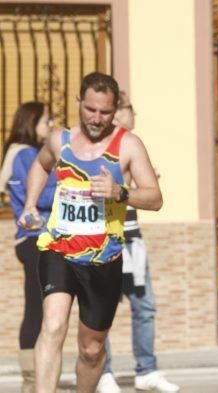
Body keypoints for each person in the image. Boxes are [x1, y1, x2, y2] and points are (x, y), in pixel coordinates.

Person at [18, 72, 163, 393]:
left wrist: (119, 191)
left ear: (115, 110)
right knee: (53, 326)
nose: (97, 119)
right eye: (91, 110)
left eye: (105, 112)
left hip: (103, 259)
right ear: (79, 103)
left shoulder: (128, 145)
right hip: (58, 248)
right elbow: (41, 166)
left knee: (92, 349)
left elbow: (155, 198)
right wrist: (29, 205)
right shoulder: (60, 140)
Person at [96, 92, 179, 392]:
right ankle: (103, 372)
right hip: (105, 241)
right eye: (120, 109)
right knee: (101, 309)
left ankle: (147, 370)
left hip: (133, 240)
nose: (124, 115)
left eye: (126, 108)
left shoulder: (134, 146)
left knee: (144, 307)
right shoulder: (103, 148)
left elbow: (150, 196)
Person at [0, 102, 56, 392]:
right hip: (33, 240)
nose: (51, 127)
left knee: (46, 311)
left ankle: (39, 380)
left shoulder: (31, 154)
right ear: (31, 122)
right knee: (36, 309)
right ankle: (31, 382)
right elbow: (42, 195)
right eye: (47, 121)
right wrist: (68, 182)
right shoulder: (23, 155)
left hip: (42, 240)